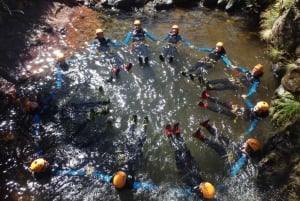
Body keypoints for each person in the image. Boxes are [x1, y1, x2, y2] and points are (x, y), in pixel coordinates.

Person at [164, 122, 216, 199]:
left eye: (203, 185)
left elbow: (189, 176)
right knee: (185, 147)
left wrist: (185, 163)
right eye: (205, 183)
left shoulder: (195, 188)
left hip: (184, 167)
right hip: (191, 164)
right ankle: (177, 133)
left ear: (201, 191)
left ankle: (169, 134)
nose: (204, 183)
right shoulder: (205, 191)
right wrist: (191, 160)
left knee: (177, 149)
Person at [192, 120, 261, 177]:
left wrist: (230, 174)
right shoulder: (244, 148)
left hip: (228, 155)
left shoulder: (244, 157)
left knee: (216, 145)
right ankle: (207, 126)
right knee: (221, 137)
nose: (244, 143)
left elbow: (236, 168)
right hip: (232, 149)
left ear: (249, 149)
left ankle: (200, 137)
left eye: (246, 143)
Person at [198, 90, 269, 135]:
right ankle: (208, 97)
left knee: (222, 111)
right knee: (225, 103)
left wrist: (244, 134)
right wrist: (245, 99)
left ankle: (205, 106)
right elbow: (250, 105)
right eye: (256, 106)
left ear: (261, 112)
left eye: (257, 108)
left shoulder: (256, 119)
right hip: (240, 110)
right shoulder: (255, 108)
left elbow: (251, 127)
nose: (255, 108)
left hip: (238, 116)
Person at [111, 115, 149, 190]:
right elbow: (131, 184)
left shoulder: (115, 180)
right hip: (132, 159)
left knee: (129, 140)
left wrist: (121, 155)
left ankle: (133, 123)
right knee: (139, 143)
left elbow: (113, 176)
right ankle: (144, 126)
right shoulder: (129, 183)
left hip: (125, 158)